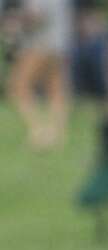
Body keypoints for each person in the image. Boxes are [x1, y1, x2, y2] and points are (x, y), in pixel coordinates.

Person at [4, 0, 73, 149]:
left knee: (17, 87)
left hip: (39, 44)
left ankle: (38, 130)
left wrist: (14, 23)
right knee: (55, 90)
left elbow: (36, 16)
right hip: (60, 45)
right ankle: (57, 135)